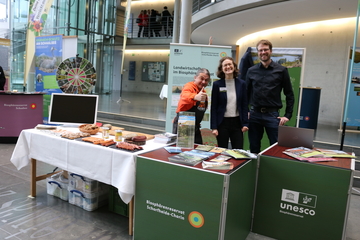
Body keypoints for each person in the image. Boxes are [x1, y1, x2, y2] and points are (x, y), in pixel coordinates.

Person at [246, 39, 295, 153]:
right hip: (254, 115)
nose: (263, 52)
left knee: (276, 148)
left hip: (272, 116)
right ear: (258, 52)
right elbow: (246, 93)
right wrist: (246, 111)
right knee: (254, 147)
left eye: (265, 49)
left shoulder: (281, 70)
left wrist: (287, 115)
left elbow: (289, 94)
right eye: (260, 50)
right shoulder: (251, 71)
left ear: (271, 51)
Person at [211, 57, 249, 149]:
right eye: (225, 65)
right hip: (222, 123)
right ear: (222, 69)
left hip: (237, 122)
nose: (228, 67)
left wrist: (245, 123)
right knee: (222, 150)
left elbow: (244, 105)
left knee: (238, 150)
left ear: (234, 67)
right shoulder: (217, 85)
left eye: (230, 64)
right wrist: (214, 127)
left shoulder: (242, 84)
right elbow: (214, 107)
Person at [173, 68, 210, 144]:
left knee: (198, 149)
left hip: (195, 127)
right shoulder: (189, 86)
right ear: (195, 77)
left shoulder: (203, 92)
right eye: (201, 79)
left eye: (206, 80)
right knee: (183, 151)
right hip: (184, 125)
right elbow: (184, 95)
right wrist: (195, 97)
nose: (203, 82)